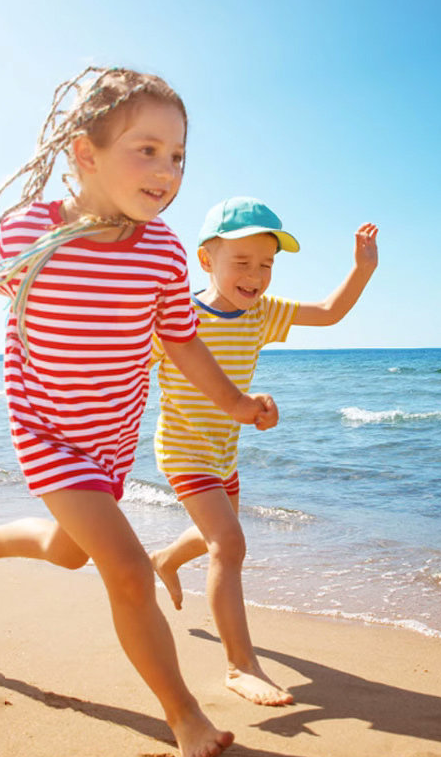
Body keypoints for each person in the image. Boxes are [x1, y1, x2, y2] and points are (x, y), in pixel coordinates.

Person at [0, 69, 279, 757]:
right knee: (129, 570)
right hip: (46, 434)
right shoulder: (33, 232)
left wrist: (234, 403)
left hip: (111, 442)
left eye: (177, 156)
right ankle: (185, 717)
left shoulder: (165, 250)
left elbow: (183, 341)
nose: (166, 170)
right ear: (86, 153)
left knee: (72, 549)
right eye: (147, 150)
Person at [149, 196, 379, 707]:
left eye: (267, 264)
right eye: (243, 263)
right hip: (184, 449)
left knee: (218, 534)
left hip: (223, 452)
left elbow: (328, 312)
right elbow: (123, 371)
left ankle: (163, 559)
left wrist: (361, 269)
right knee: (229, 545)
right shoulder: (177, 317)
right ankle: (239, 666)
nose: (256, 276)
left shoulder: (263, 315)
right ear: (207, 260)